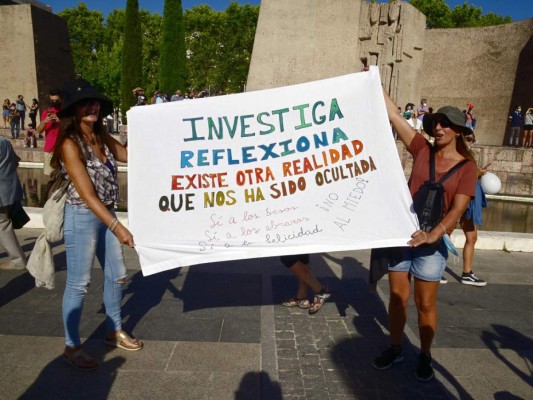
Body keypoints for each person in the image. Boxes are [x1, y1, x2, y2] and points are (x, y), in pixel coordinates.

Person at [372, 90, 477, 381]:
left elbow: (458, 208)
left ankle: (425, 354)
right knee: (396, 297)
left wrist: (434, 235)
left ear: (458, 131)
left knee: (425, 303)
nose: (438, 128)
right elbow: (394, 115)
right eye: (436, 123)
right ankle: (395, 347)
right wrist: (374, 80)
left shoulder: (467, 167)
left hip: (432, 243)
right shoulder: (421, 149)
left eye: (445, 124)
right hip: (403, 236)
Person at [51, 78, 142, 370]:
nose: (92, 107)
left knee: (118, 274)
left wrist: (153, 132)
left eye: (95, 103)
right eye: (85, 103)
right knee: (79, 283)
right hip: (83, 217)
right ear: (74, 110)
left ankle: (113, 330)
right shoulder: (69, 143)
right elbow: (88, 196)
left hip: (107, 213)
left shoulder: (101, 136)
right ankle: (71, 345)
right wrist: (119, 227)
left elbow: (128, 155)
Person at [456, 131, 488, 287]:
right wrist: (476, 173)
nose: (471, 142)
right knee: (445, 232)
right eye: (469, 139)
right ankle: (437, 270)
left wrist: (479, 173)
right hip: (463, 199)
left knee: (472, 237)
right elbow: (460, 175)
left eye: (473, 139)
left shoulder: (468, 155)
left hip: (471, 199)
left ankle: (467, 273)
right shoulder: (459, 154)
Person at [0, 136, 27, 270]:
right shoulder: (4, 141)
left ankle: (18, 260)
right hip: (9, 189)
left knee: (3, 225)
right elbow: (16, 161)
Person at [37, 89, 62, 176]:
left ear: (61, 99)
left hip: (64, 148)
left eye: (56, 100)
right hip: (50, 149)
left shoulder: (65, 112)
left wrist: (60, 121)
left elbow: (73, 128)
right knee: (50, 176)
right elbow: (39, 131)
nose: (54, 102)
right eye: (52, 100)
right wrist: (45, 121)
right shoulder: (46, 112)